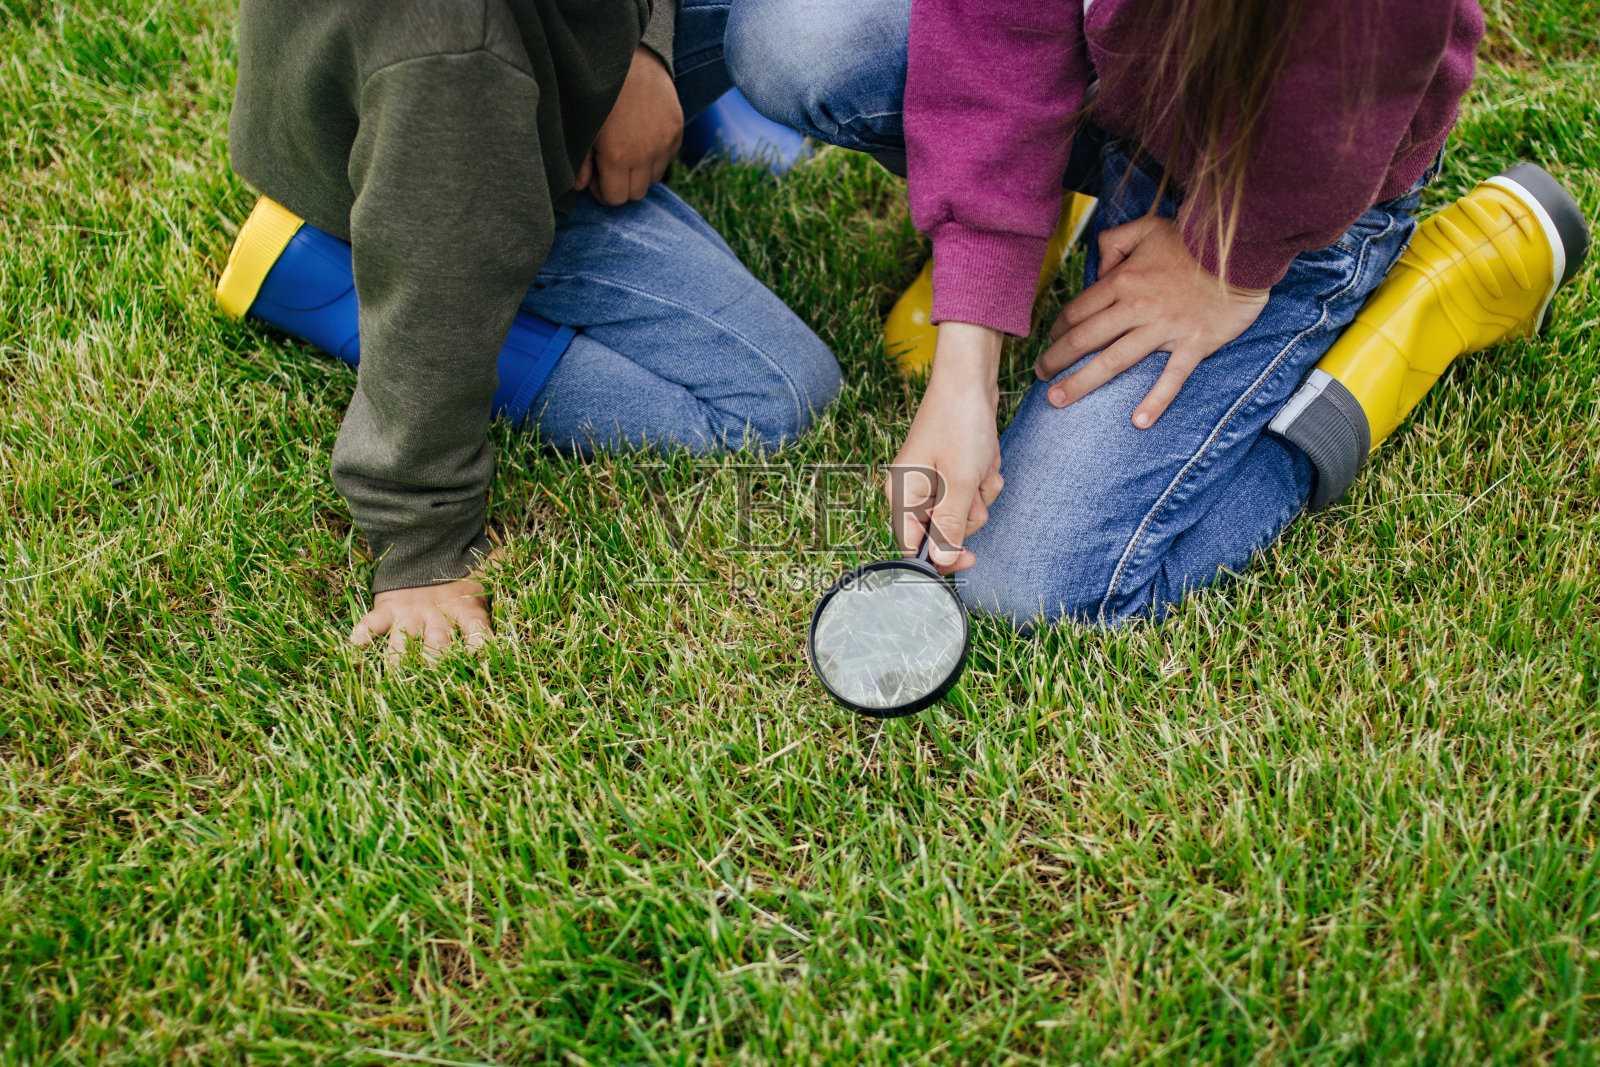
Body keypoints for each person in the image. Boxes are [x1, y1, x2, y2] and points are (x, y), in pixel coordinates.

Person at [725, 0, 1587, 627]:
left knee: (1026, 582)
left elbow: (1346, 104)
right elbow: (997, 25)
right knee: (794, 40)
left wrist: (1232, 265)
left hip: (1290, 189)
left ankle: (1413, 315)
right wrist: (967, 358)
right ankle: (1046, 204)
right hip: (1129, 84)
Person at [224, 0, 841, 658]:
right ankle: (327, 277)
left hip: (487, 70)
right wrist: (421, 538)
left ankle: (667, 115)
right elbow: (446, 257)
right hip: (446, 162)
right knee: (783, 395)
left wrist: (642, 50)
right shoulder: (453, 54)